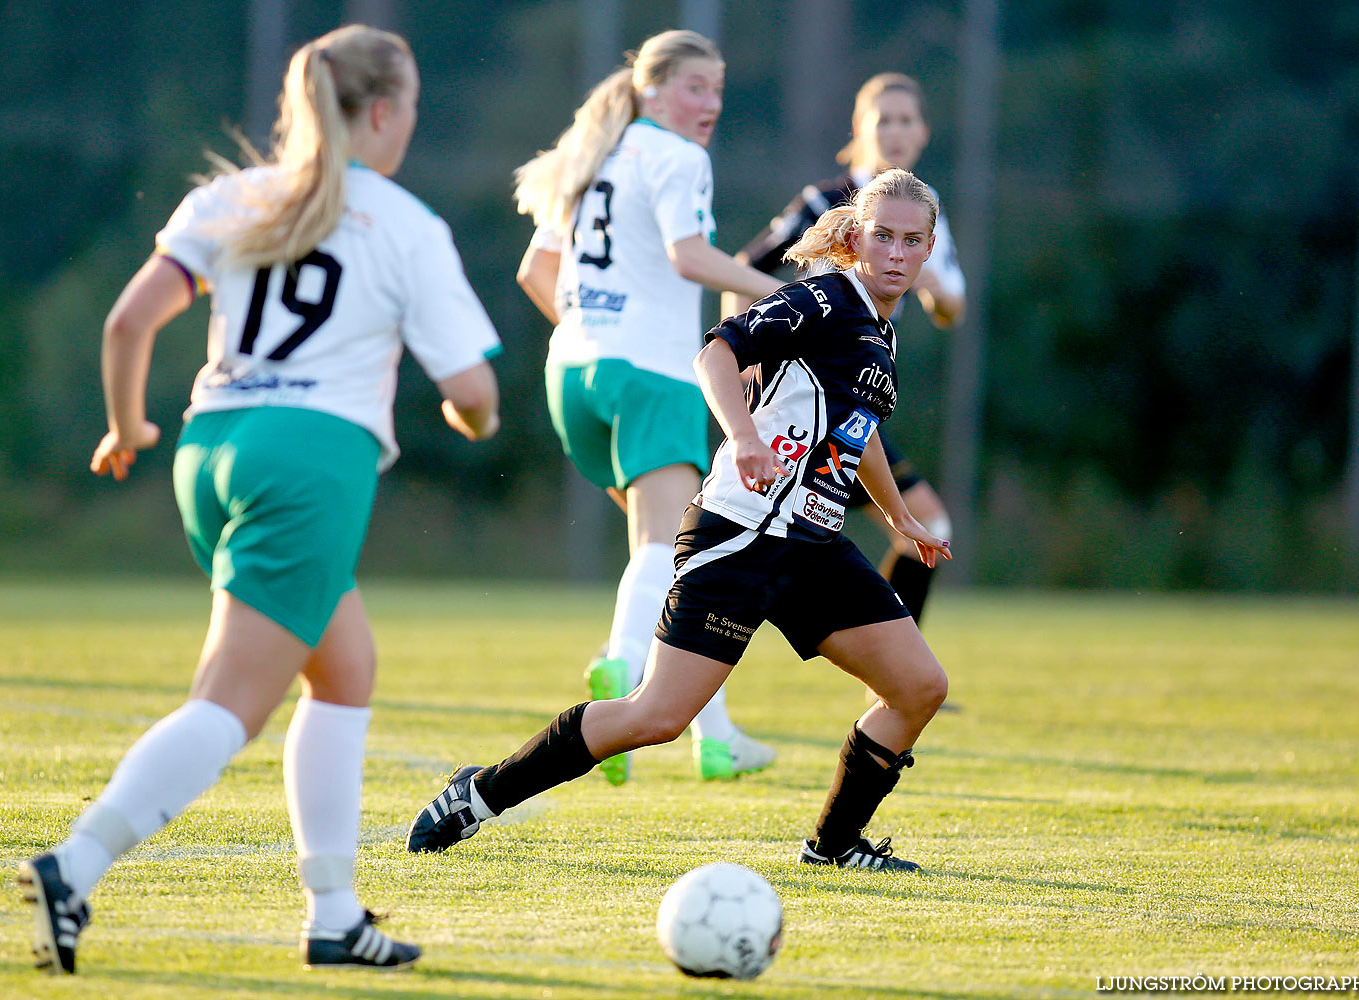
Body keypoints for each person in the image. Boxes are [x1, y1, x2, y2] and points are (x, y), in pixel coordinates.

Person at [17, 25, 502, 975]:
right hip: (309, 462)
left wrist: (126, 427)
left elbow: (128, 321)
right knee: (229, 703)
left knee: (344, 668)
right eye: (409, 108)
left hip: (211, 448)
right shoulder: (405, 223)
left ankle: (333, 915)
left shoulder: (234, 197)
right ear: (381, 112)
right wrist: (471, 421)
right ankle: (74, 866)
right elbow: (476, 394)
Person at [407, 168, 952, 874]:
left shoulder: (880, 329)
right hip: (740, 534)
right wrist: (746, 439)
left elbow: (861, 427)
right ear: (856, 237)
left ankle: (836, 844)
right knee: (656, 717)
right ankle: (475, 795)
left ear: (930, 246)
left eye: (913, 240)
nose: (898, 253)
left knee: (918, 687)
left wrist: (900, 515)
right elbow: (716, 353)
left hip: (812, 545)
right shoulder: (823, 300)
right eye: (883, 236)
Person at [512, 29, 785, 784]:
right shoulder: (677, 156)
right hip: (651, 376)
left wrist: (590, 332)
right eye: (696, 87)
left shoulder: (592, 151)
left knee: (672, 555)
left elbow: (537, 270)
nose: (712, 105)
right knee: (665, 549)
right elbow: (690, 258)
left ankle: (717, 740)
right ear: (652, 88)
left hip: (572, 375)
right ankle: (622, 665)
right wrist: (788, 296)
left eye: (718, 89)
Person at [732, 72, 963, 630]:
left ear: (924, 133)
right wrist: (746, 353)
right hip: (809, 395)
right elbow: (741, 270)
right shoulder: (824, 201)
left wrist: (933, 288)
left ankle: (892, 671)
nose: (895, 131)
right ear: (860, 130)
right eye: (883, 119)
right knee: (778, 539)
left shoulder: (923, 213)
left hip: (853, 399)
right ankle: (892, 672)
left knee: (904, 531)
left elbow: (952, 307)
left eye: (906, 120)